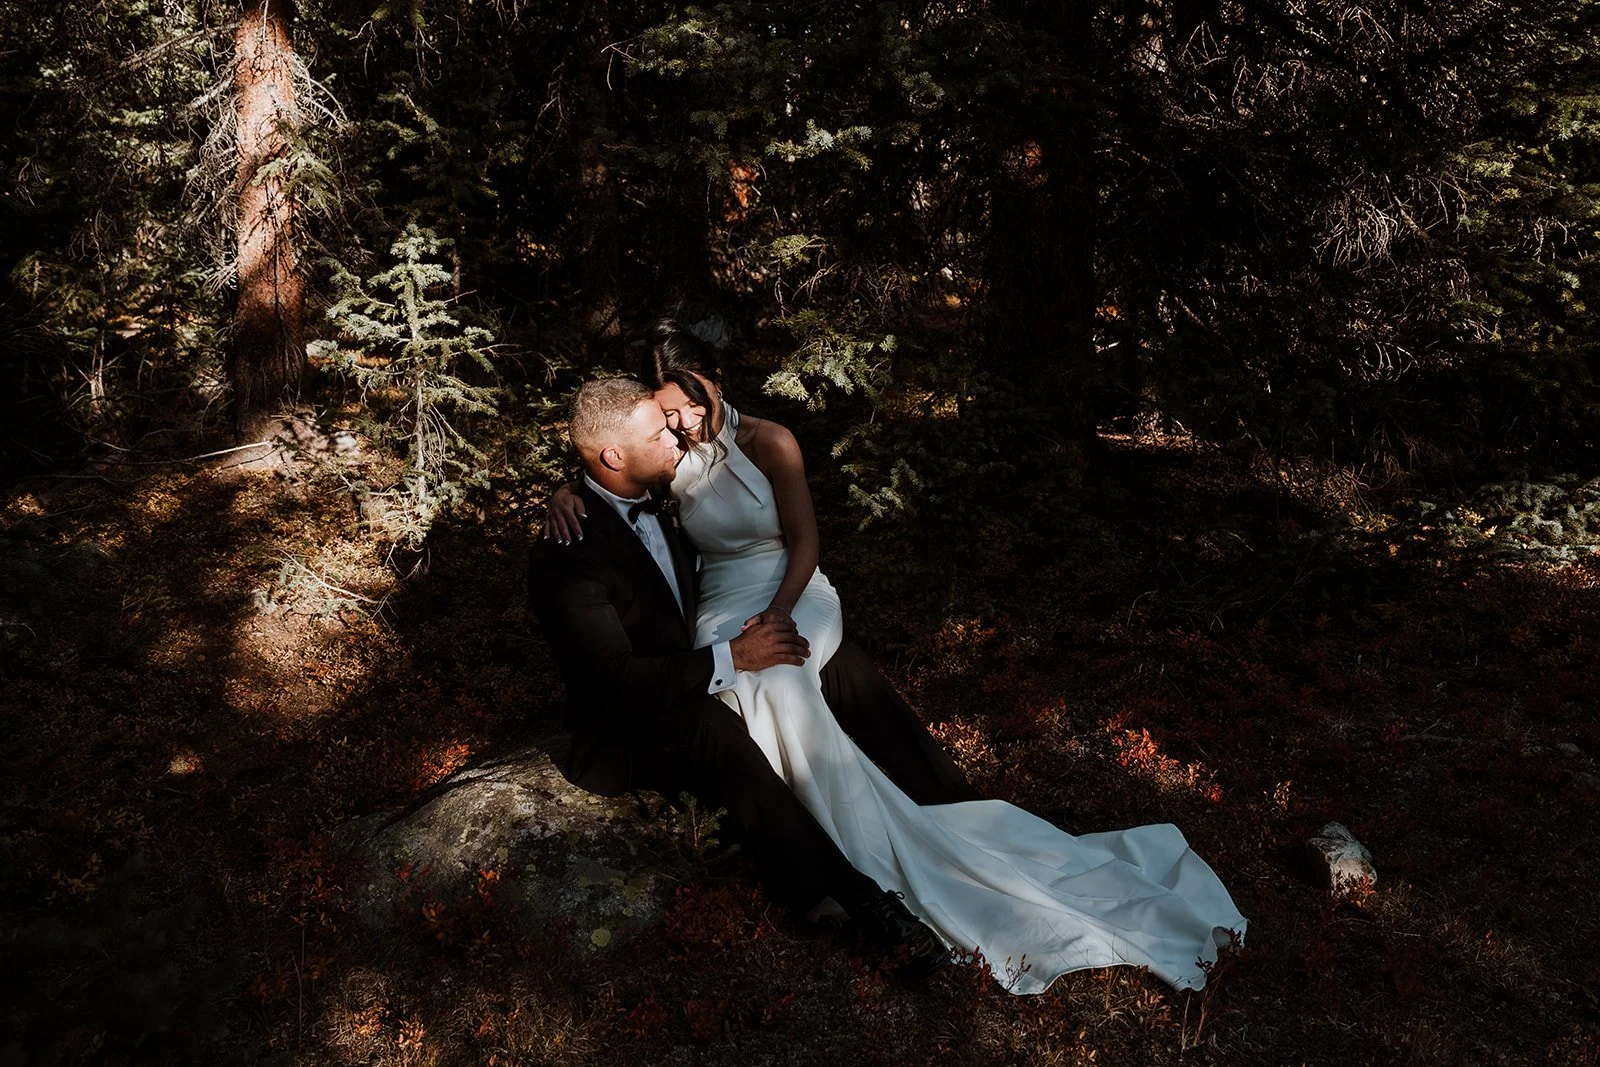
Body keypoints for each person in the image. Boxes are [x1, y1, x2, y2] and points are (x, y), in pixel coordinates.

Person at [540, 321, 1248, 993]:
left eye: (685, 409)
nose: (677, 426)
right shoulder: (656, 475)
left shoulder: (752, 443)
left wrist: (774, 616)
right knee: (767, 690)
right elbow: (611, 488)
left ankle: (933, 814)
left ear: (716, 381)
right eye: (663, 418)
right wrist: (566, 490)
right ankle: (850, 877)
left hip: (779, 592)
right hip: (703, 639)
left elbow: (791, 535)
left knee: (828, 676)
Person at [527, 376, 970, 979]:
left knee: (838, 664)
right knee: (731, 738)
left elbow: (620, 459)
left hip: (694, 655)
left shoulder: (644, 484)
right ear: (614, 458)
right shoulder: (566, 557)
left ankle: (951, 798)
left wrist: (565, 485)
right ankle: (853, 900)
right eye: (659, 433)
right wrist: (734, 656)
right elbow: (616, 683)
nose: (675, 440)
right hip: (636, 717)